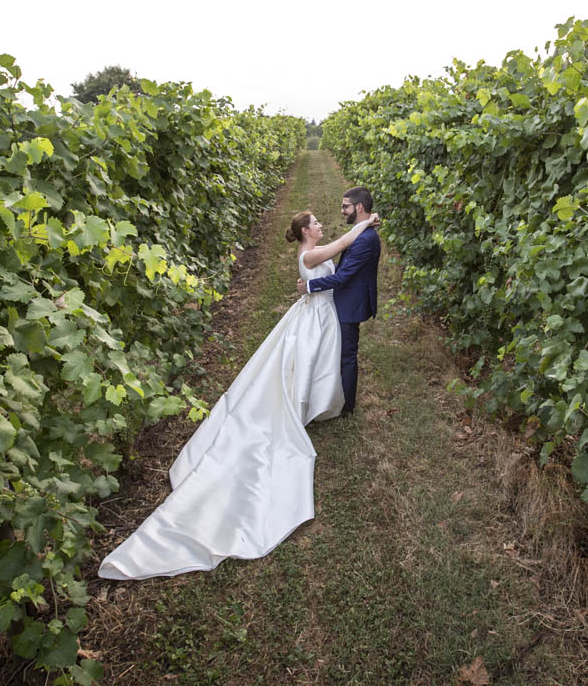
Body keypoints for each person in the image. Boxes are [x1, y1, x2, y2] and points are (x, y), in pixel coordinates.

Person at [98, 209, 380, 580]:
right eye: (315, 223)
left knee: (311, 365)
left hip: (319, 314)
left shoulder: (312, 251)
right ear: (304, 231)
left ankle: (314, 402)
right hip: (315, 316)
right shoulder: (310, 255)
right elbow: (343, 244)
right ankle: (301, 407)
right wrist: (367, 222)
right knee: (305, 363)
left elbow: (336, 252)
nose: (321, 225)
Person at [297, 187, 381, 417]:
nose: (342, 210)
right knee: (335, 353)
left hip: (349, 303)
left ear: (359, 207)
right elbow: (342, 256)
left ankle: (346, 405)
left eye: (345, 206)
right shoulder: (361, 233)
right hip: (343, 300)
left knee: (346, 356)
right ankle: (331, 395)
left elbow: (342, 277)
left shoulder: (364, 239)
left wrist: (310, 286)